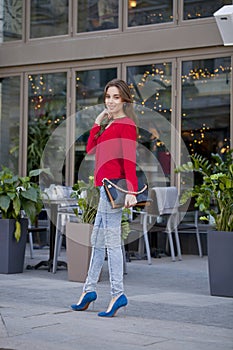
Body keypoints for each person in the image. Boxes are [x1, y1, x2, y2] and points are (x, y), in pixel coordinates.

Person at [71, 79, 138, 317]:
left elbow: (129, 160)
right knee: (98, 241)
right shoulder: (109, 124)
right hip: (103, 188)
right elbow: (91, 149)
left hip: (113, 189)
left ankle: (118, 294)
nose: (110, 101)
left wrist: (131, 190)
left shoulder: (126, 125)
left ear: (125, 100)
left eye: (116, 97)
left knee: (111, 243)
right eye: (108, 96)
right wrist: (97, 123)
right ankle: (89, 290)